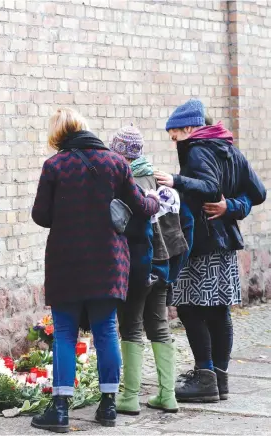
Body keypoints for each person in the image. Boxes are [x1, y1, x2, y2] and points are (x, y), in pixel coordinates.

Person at [31, 108, 160, 433]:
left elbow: (40, 216)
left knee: (64, 334)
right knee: (105, 332)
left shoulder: (54, 166)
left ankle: (60, 411)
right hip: (109, 263)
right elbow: (142, 208)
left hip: (66, 264)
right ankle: (109, 407)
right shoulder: (116, 163)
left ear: (59, 135)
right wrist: (155, 199)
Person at [155, 99, 266, 403]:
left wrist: (175, 180)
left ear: (191, 128)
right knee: (218, 312)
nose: (172, 137)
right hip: (225, 242)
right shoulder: (230, 150)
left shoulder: (198, 149)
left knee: (190, 309)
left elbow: (207, 186)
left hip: (203, 243)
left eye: (175, 131)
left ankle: (206, 378)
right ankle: (219, 379)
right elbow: (258, 193)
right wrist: (233, 206)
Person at [108, 125, 189, 416]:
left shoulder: (122, 180)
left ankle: (129, 398)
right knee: (159, 324)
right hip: (163, 264)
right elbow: (180, 228)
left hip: (137, 266)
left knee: (130, 326)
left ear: (119, 153)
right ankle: (167, 396)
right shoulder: (159, 178)